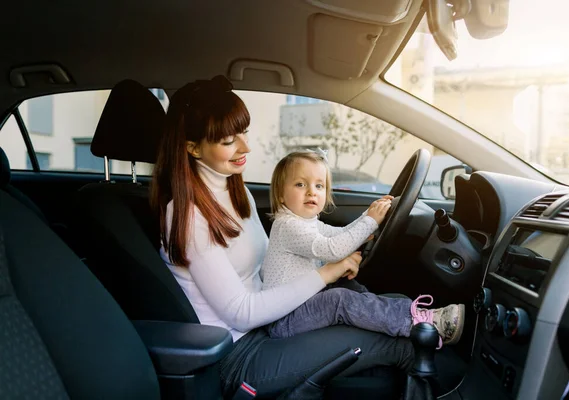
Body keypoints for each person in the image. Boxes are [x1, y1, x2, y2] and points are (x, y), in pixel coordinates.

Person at [151, 75, 435, 399]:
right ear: (192, 148)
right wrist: (326, 273)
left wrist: (334, 263)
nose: (245, 146)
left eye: (243, 132)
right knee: (402, 343)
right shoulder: (188, 216)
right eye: (228, 140)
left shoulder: (234, 189)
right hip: (236, 354)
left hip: (270, 323)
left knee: (395, 306)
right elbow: (240, 312)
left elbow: (269, 264)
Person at [262, 150, 465, 344]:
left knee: (344, 285)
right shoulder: (287, 226)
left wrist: (368, 215)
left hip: (300, 304)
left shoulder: (307, 222)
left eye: (319, 186)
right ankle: (420, 324)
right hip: (284, 320)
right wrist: (370, 222)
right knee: (339, 300)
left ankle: (388, 312)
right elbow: (333, 249)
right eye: (300, 184)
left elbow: (340, 234)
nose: (311, 192)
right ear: (280, 194)